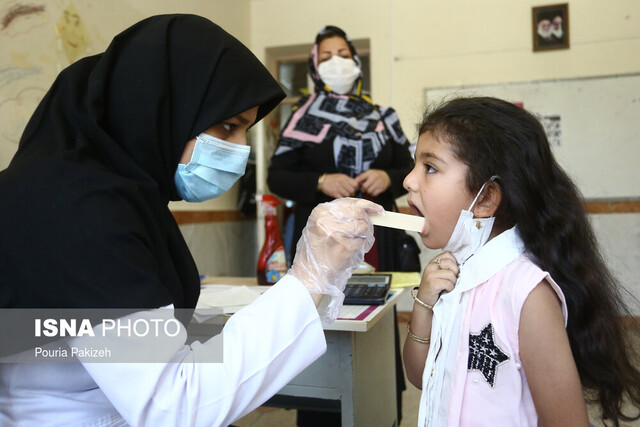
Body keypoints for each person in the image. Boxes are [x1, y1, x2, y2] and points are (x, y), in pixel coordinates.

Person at [0, 15, 384, 426]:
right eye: (227, 126)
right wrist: (309, 280)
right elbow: (174, 405)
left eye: (245, 130)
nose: (239, 150)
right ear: (162, 107)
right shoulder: (79, 209)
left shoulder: (107, 191)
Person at [402, 96, 640, 426]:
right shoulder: (451, 273)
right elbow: (421, 378)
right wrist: (424, 304)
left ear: (484, 199)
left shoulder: (527, 294)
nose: (409, 181)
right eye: (415, 164)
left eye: (430, 167)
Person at [267, 25, 414, 270]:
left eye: (343, 55)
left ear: (356, 62)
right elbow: (277, 178)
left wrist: (388, 177)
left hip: (378, 233)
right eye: (326, 57)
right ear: (315, 66)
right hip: (322, 236)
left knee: (377, 301)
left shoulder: (384, 117)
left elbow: (411, 170)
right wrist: (320, 181)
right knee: (321, 304)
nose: (336, 62)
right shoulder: (303, 116)